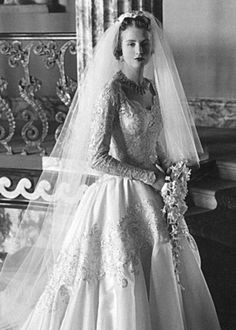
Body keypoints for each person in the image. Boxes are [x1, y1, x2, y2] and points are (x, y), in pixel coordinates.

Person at [0, 11, 221, 330]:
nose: (139, 50)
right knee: (120, 271)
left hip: (155, 193)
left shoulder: (150, 90)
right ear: (119, 48)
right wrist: (151, 177)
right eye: (131, 44)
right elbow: (97, 157)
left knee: (165, 261)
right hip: (118, 195)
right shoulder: (112, 93)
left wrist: (171, 170)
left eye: (144, 43)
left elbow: (152, 140)